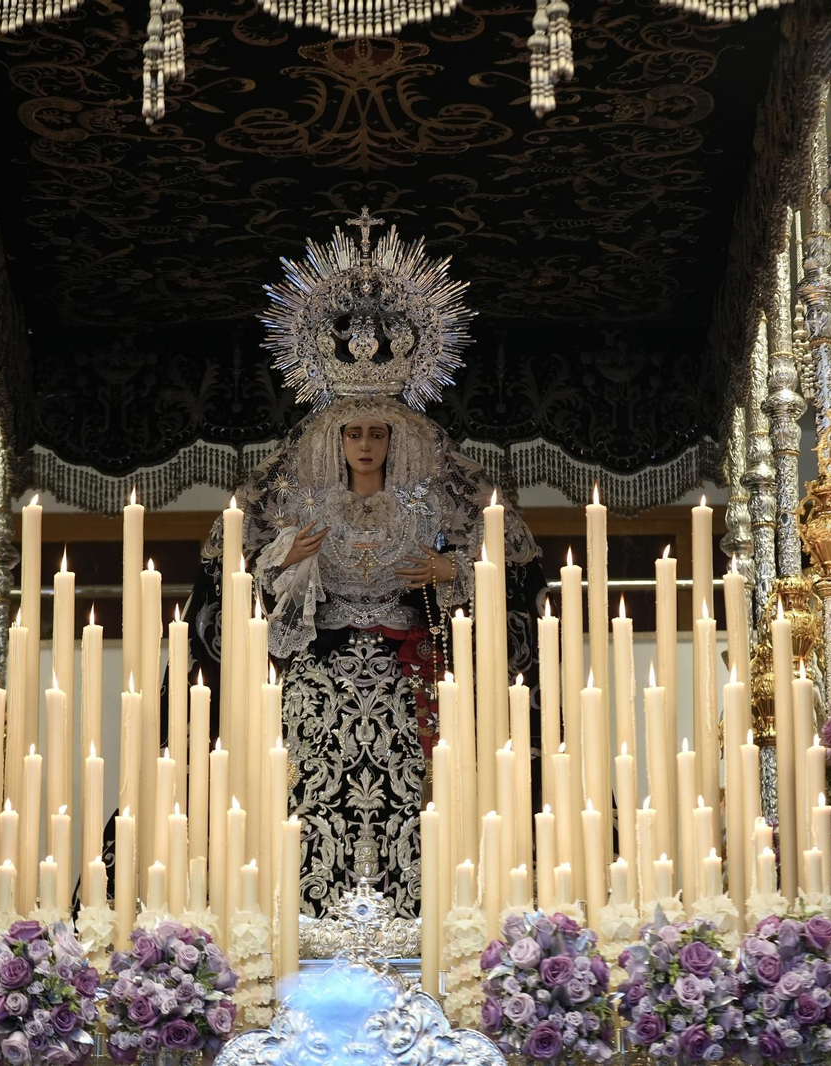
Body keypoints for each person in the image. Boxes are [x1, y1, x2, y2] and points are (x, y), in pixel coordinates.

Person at [175, 211, 543, 919]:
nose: (366, 444)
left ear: (396, 439)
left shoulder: (439, 507)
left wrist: (454, 580)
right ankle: (308, 920)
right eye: (354, 432)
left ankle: (420, 920)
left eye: (378, 432)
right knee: (312, 799)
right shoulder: (292, 507)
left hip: (418, 686)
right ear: (334, 439)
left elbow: (501, 605)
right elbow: (241, 612)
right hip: (318, 686)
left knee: (420, 807)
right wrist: (288, 567)